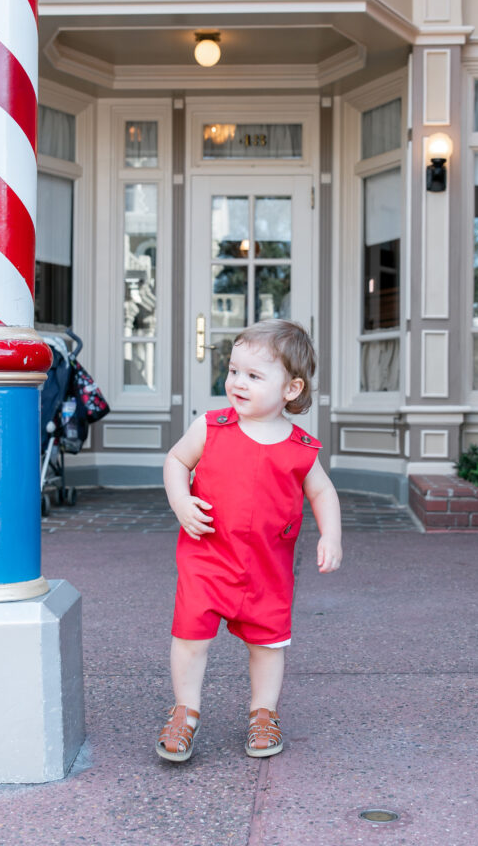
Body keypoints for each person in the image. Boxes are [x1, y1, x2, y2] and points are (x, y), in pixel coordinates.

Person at [156, 319, 342, 763]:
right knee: (191, 636)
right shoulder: (213, 426)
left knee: (267, 642)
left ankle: (264, 713)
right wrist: (181, 501)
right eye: (234, 370)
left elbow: (322, 490)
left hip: (266, 565)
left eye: (254, 376)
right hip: (207, 556)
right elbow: (176, 460)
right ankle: (185, 710)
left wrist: (331, 535)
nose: (237, 382)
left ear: (291, 388)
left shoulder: (301, 447)